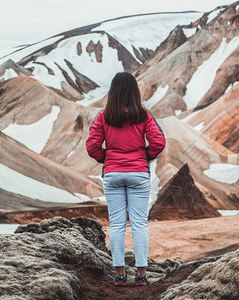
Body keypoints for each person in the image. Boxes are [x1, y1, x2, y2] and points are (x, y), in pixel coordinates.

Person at [86, 72, 165, 286]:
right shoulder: (143, 115)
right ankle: (141, 276)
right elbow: (158, 143)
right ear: (134, 91)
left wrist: (108, 159)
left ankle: (120, 275)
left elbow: (92, 147)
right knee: (139, 224)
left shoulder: (104, 116)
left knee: (117, 225)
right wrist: (144, 157)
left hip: (112, 174)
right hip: (138, 173)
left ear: (113, 92)